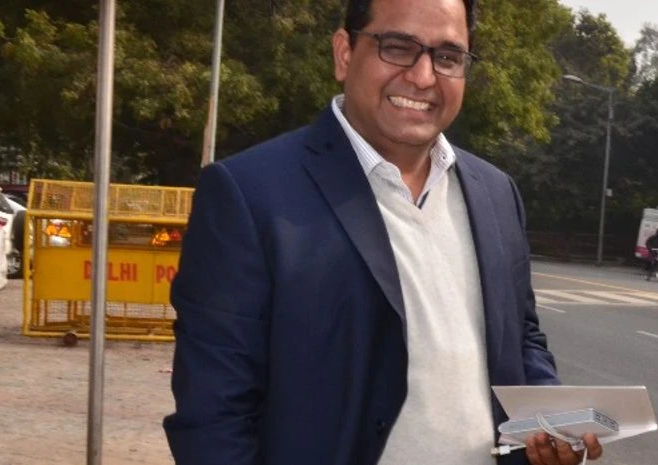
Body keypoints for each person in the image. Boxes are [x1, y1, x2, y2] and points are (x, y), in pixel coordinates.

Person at [163, 0, 603, 464]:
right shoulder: (250, 194)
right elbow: (213, 414)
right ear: (344, 53)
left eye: (448, 57)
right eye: (397, 47)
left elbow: (522, 341)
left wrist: (551, 426)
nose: (423, 76)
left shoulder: (496, 194)